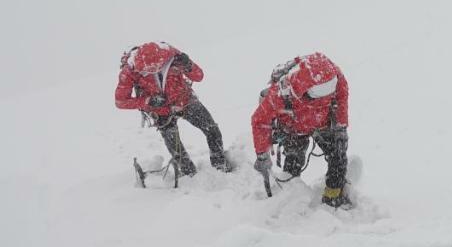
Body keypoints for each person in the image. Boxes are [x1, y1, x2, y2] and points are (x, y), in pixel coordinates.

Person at [250, 52, 351, 208]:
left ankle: (333, 197)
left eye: (329, 91)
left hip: (323, 123)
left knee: (338, 156)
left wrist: (341, 126)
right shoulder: (281, 93)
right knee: (293, 164)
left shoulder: (335, 77)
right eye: (318, 94)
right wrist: (262, 154)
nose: (325, 96)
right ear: (305, 90)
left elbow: (342, 97)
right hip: (294, 128)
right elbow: (260, 120)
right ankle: (292, 201)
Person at [115, 41, 230, 174]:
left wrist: (189, 66)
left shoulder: (174, 56)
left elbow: (199, 76)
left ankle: (220, 164)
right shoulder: (129, 70)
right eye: (145, 71)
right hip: (160, 111)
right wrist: (148, 101)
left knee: (212, 130)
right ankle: (189, 173)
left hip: (185, 100)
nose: (148, 72)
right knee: (176, 147)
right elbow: (120, 101)